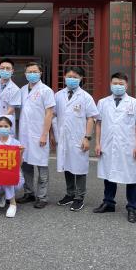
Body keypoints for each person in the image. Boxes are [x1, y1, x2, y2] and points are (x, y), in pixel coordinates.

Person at [93, 72, 136, 223]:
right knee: (109, 174)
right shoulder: (103, 102)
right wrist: (97, 143)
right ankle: (108, 203)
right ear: (110, 84)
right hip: (108, 144)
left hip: (128, 146)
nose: (118, 86)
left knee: (131, 177)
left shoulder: (134, 103)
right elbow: (99, 124)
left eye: (121, 84)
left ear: (126, 85)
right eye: (115, 83)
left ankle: (132, 207)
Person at [54, 66, 99, 211]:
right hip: (64, 138)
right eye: (69, 76)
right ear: (64, 77)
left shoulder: (85, 97)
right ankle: (70, 194)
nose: (71, 79)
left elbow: (91, 118)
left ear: (81, 79)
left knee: (79, 168)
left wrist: (87, 138)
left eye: (75, 77)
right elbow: (53, 115)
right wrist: (53, 135)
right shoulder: (58, 95)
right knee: (67, 165)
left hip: (79, 138)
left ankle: (79, 197)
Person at [16, 61, 55, 209]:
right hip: (24, 134)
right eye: (29, 72)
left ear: (40, 73)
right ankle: (29, 193)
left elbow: (49, 114)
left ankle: (42, 197)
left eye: (35, 72)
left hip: (39, 133)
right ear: (25, 74)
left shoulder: (46, 91)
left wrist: (45, 134)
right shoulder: (22, 90)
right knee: (26, 164)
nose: (32, 74)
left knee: (41, 165)